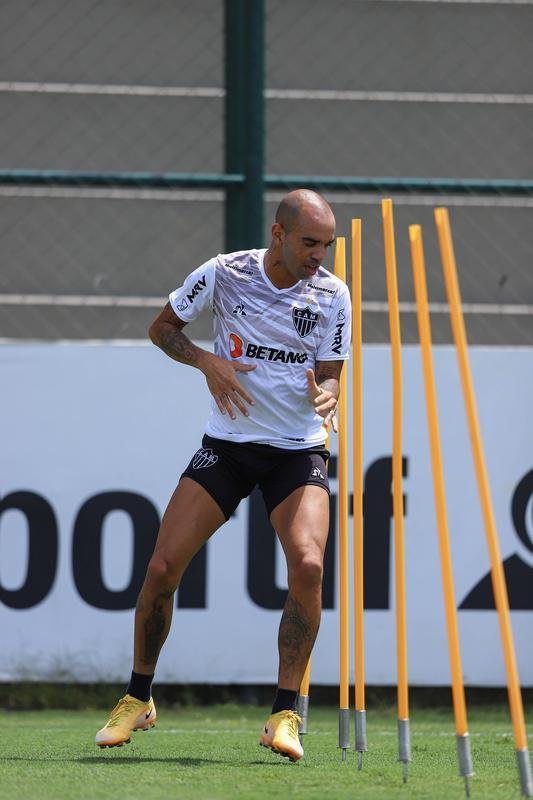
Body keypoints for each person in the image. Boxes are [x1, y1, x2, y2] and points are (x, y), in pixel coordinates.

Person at [95, 189, 352, 761]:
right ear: (279, 234)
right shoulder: (224, 272)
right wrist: (206, 360)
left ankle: (284, 714)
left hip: (296, 449)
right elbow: (161, 328)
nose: (319, 255)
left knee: (308, 564)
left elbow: (332, 373)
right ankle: (138, 697)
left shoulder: (334, 294)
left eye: (327, 245)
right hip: (229, 444)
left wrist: (328, 395)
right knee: (162, 567)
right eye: (310, 243)